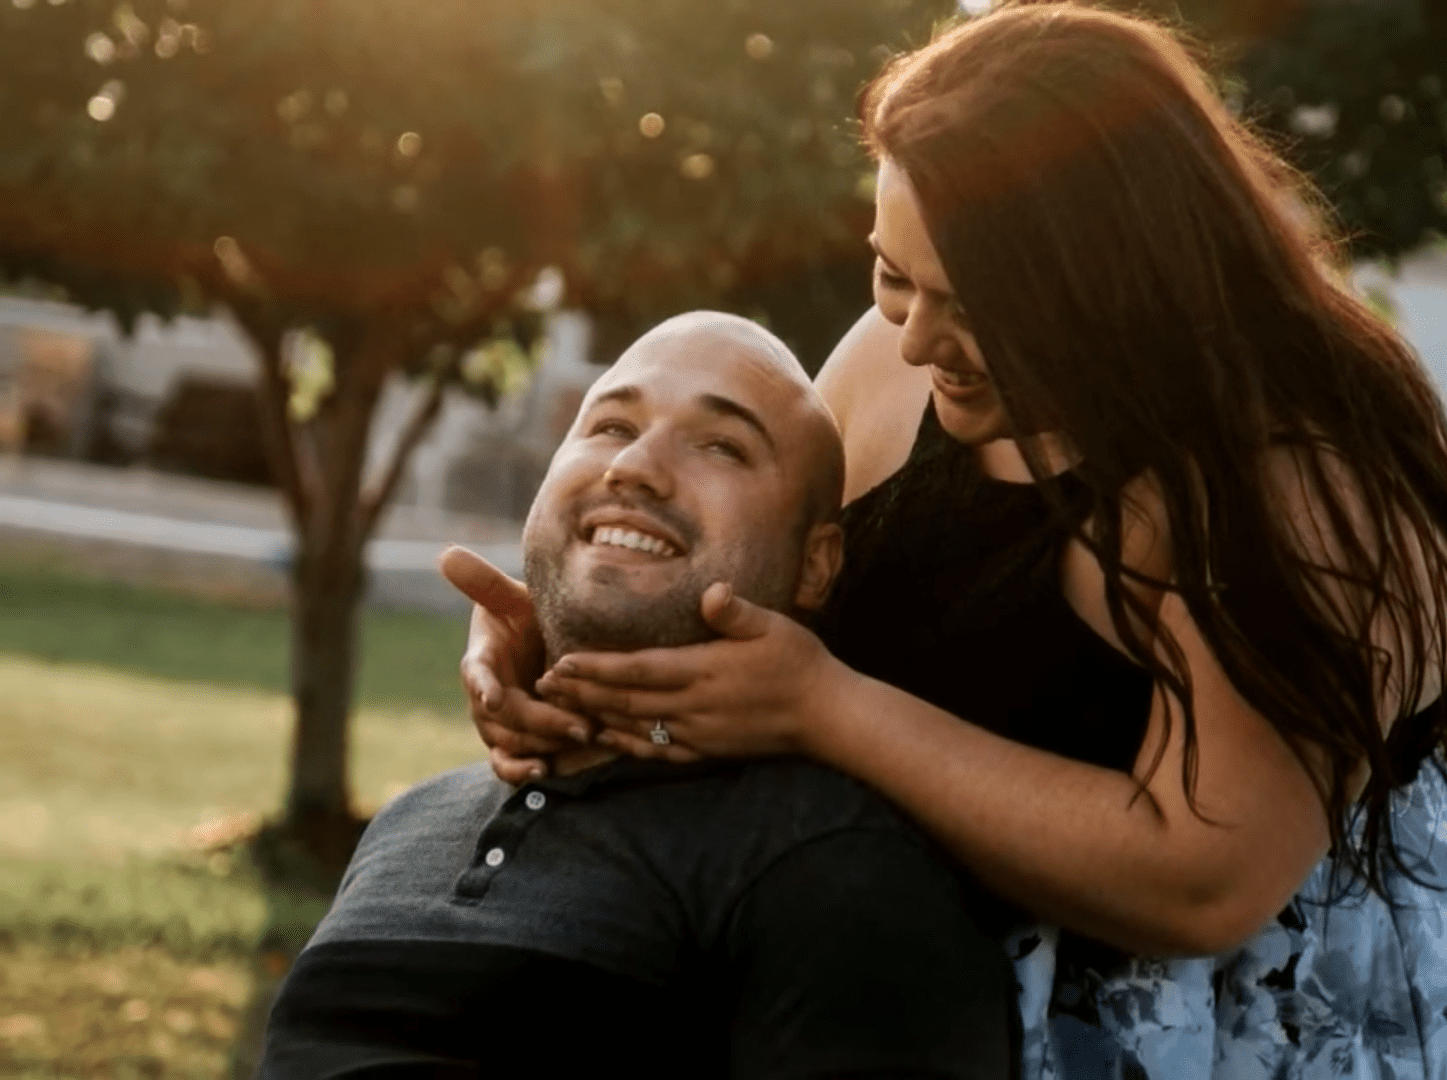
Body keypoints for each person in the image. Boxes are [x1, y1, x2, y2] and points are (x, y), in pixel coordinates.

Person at [444, 5, 1447, 1079]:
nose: (915, 337)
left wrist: (826, 709)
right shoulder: (895, 360)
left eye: (970, 303)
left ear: (1112, 276)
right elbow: (759, 583)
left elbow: (1204, 875)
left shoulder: (1301, 482)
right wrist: (550, 635)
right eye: (891, 274)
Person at [260, 312, 1016, 1080]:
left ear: (815, 566)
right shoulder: (407, 822)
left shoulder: (832, 864)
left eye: (722, 445)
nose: (636, 467)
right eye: (612, 424)